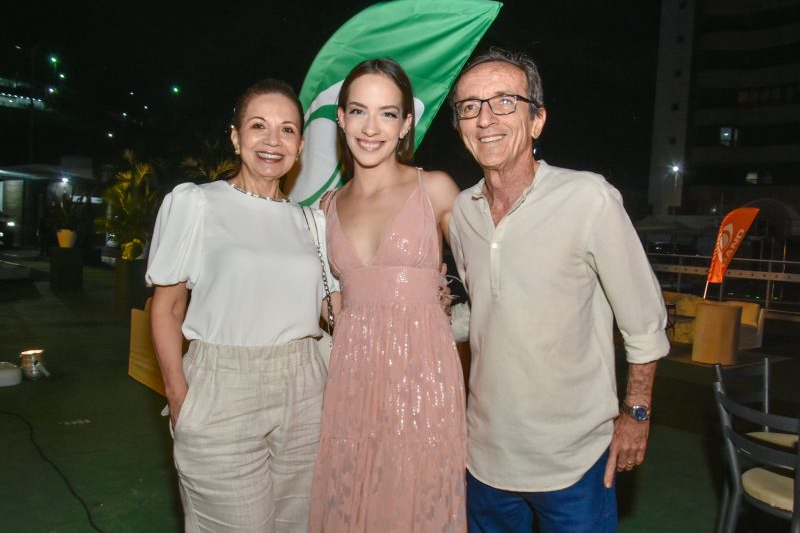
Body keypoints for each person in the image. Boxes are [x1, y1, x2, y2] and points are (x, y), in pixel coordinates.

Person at [448, 48, 670, 532]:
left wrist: (636, 414)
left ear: (537, 120)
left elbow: (644, 322)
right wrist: (411, 319)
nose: (485, 119)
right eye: (469, 106)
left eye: (505, 101)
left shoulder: (588, 198)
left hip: (575, 461)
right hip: (484, 457)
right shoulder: (462, 213)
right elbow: (484, 309)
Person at [146, 78, 338, 532]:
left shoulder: (312, 221)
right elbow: (167, 308)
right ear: (236, 137)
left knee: (297, 525)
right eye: (258, 126)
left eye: (287, 129)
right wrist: (178, 396)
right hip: (222, 389)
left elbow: (334, 308)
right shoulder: (196, 203)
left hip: (306, 387)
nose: (273, 140)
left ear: (300, 145)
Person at [308, 58, 467, 532]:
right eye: (359, 111)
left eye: (388, 113)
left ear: (406, 124)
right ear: (340, 118)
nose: (371, 128)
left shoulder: (435, 189)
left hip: (424, 381)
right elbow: (326, 295)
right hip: (352, 383)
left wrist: (442, 295)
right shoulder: (327, 206)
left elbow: (490, 277)